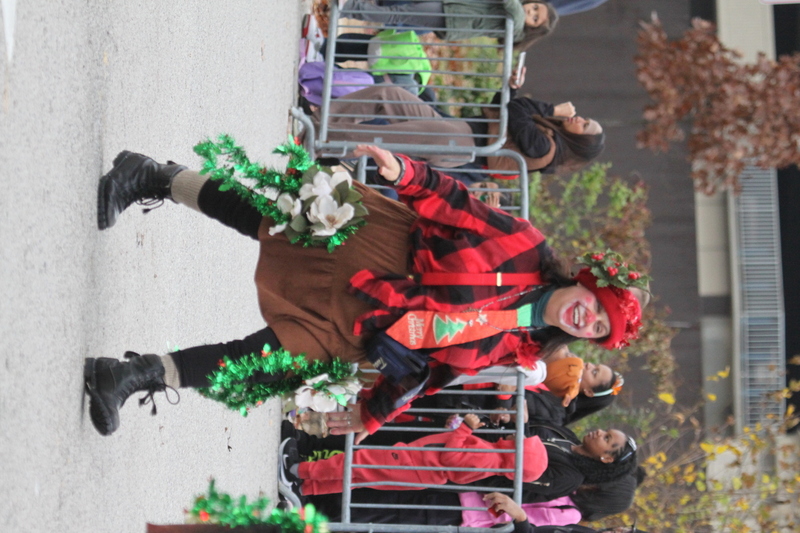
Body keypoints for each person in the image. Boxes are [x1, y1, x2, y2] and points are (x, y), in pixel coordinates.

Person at [83, 143, 647, 437]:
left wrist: (373, 413)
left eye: (598, 331)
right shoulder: (524, 245)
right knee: (262, 215)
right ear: (587, 283)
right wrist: (406, 173)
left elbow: (431, 372)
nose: (587, 322)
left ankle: (131, 375)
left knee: (260, 363)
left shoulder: (518, 347)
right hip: (378, 249)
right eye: (597, 311)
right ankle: (152, 175)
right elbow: (457, 205)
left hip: (366, 330)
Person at [280, 413, 547, 495]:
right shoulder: (491, 462)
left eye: (522, 441)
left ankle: (298, 471)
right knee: (357, 478)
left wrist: (465, 428)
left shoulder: (490, 457)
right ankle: (305, 488)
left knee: (355, 463)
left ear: (516, 455)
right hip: (416, 471)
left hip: (412, 463)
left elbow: (450, 458)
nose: (516, 435)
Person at [341, 0, 559, 51]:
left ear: (533, 27)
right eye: (535, 8)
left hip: (450, 17)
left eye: (535, 18)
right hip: (451, 9)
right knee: (401, 10)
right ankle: (350, 7)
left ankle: (350, 7)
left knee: (398, 13)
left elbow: (513, 6)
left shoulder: (517, 22)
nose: (530, 11)